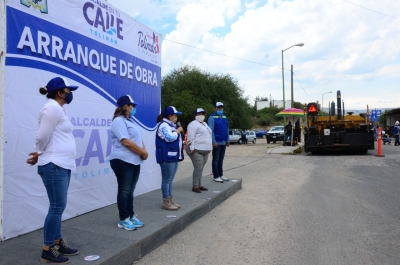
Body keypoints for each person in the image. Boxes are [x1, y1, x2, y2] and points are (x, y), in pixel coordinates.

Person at [26, 77, 79, 263]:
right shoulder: (52, 107)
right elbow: (42, 135)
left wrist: (41, 153)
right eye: (68, 90)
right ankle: (48, 249)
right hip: (54, 164)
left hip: (61, 164)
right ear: (60, 93)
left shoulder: (58, 108)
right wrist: (39, 152)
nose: (70, 93)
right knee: (57, 206)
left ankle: (57, 241)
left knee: (58, 206)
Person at [109, 95, 148, 231]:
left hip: (134, 160)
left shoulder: (131, 121)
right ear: (126, 106)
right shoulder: (118, 121)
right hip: (122, 160)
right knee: (124, 190)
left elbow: (138, 139)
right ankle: (123, 219)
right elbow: (126, 141)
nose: (134, 108)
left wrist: (143, 151)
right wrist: (142, 153)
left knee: (130, 190)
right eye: (132, 106)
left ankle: (130, 216)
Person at [156, 106, 184, 210]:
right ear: (170, 115)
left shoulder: (170, 125)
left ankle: (170, 200)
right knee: (167, 180)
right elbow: (169, 138)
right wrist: (177, 131)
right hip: (166, 157)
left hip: (173, 156)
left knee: (170, 180)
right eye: (175, 115)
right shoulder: (163, 125)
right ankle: (166, 202)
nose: (176, 117)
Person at [186, 108, 213, 193]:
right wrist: (192, 148)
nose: (201, 115)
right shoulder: (193, 124)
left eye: (202, 114)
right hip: (196, 150)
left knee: (201, 168)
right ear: (195, 115)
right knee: (198, 168)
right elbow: (190, 137)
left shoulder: (204, 124)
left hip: (205, 150)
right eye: (198, 114)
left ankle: (199, 185)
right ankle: (195, 186)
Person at [208, 102, 230, 183]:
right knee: (216, 159)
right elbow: (211, 130)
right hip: (217, 142)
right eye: (218, 107)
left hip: (223, 141)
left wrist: (228, 140)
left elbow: (227, 129)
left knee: (221, 159)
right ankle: (216, 175)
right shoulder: (212, 117)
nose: (220, 109)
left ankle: (221, 174)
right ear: (215, 108)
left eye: (221, 107)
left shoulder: (224, 117)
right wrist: (213, 141)